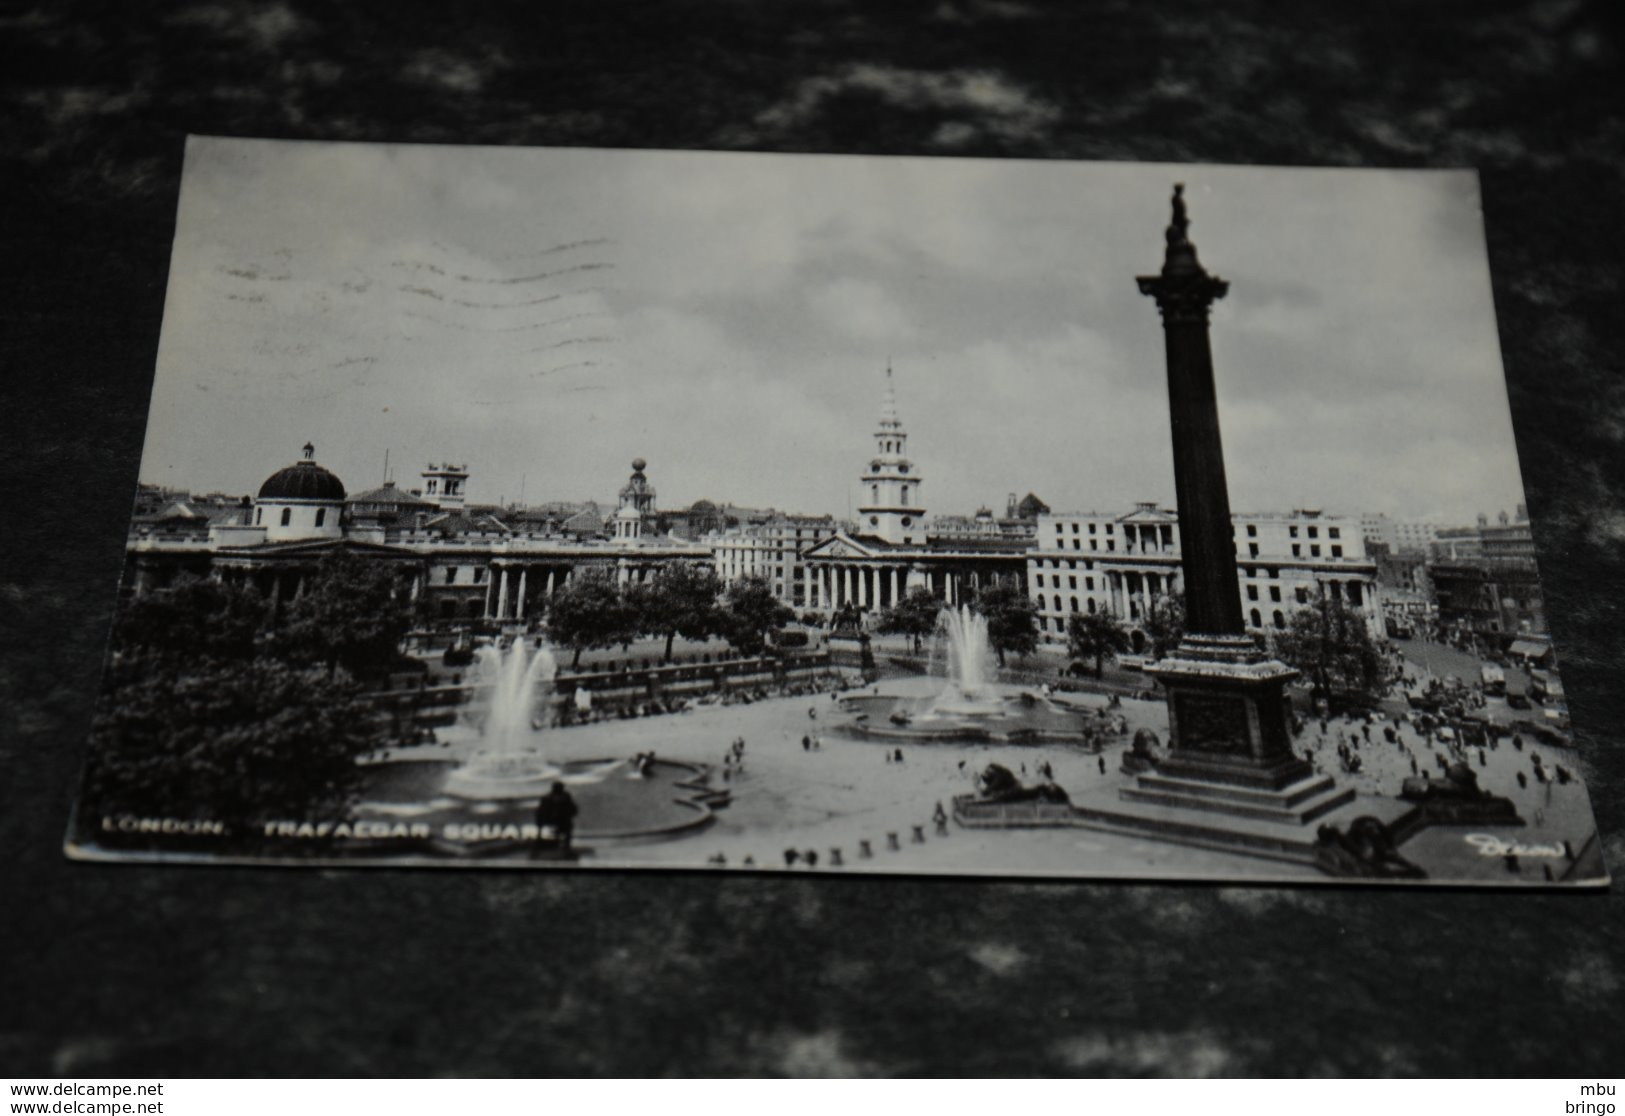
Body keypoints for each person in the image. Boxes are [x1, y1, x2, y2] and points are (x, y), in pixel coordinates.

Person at [535, 781, 579, 852]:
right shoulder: (548, 798)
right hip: (550, 819)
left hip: (559, 820)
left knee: (567, 825)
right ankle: (566, 846)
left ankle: (566, 845)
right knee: (567, 825)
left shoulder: (565, 797)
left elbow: (573, 809)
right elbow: (541, 811)